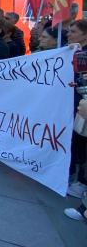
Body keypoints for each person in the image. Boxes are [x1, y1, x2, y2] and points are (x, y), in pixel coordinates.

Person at [68, 19, 87, 198]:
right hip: (76, 103)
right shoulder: (76, 51)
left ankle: (81, 182)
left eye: (73, 31)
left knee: (81, 142)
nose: (69, 34)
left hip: (83, 108)